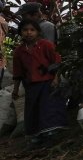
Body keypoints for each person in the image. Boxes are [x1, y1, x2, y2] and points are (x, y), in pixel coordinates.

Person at [11, 19, 66, 147]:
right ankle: (37, 137)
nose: (28, 33)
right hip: (31, 86)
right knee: (33, 111)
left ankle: (51, 135)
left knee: (48, 109)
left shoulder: (46, 45)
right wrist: (15, 89)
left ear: (38, 32)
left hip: (47, 83)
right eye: (25, 30)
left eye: (32, 30)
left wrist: (56, 78)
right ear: (20, 32)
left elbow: (57, 62)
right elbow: (18, 72)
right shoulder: (19, 51)